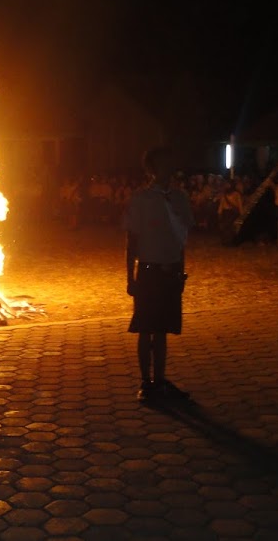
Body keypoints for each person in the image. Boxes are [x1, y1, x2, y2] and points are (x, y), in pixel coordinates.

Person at [124, 146, 195, 402]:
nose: (171, 167)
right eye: (165, 163)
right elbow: (131, 241)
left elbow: (182, 240)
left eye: (171, 162)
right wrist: (129, 278)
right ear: (153, 168)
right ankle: (146, 383)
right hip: (148, 271)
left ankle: (161, 380)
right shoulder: (141, 199)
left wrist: (181, 272)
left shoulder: (179, 198)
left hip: (170, 271)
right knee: (145, 329)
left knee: (163, 329)